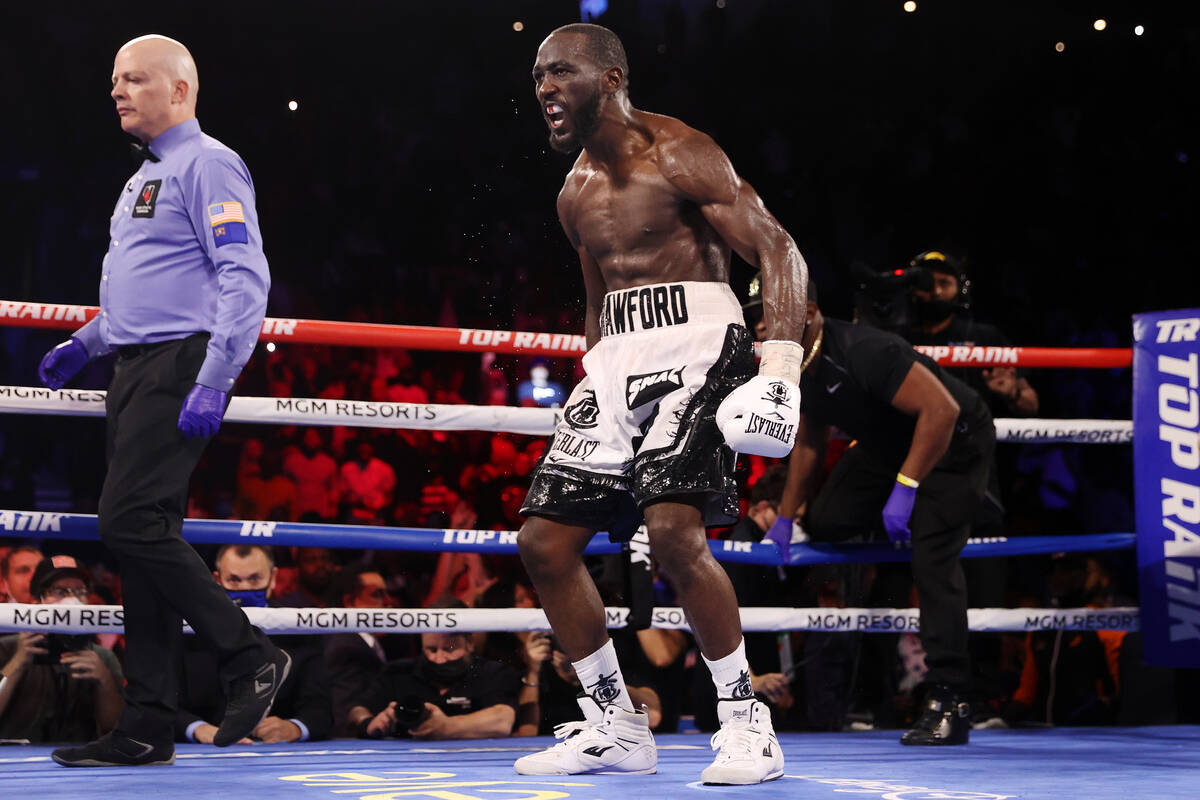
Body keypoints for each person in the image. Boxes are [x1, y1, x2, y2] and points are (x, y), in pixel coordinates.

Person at [516, 23, 807, 784]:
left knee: (674, 535)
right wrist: (592, 384)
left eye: (561, 72)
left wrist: (778, 368)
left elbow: (778, 250)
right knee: (543, 545)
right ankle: (616, 727)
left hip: (701, 345)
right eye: (539, 75)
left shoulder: (680, 150)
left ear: (611, 78)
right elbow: (595, 304)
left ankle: (747, 724)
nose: (545, 88)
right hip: (616, 361)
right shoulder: (572, 192)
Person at [36, 35, 288, 767]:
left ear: (179, 90)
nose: (117, 91)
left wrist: (216, 374)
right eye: (115, 79)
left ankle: (250, 655)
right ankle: (147, 723)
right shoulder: (146, 176)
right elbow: (146, 294)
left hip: (181, 365)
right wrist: (85, 344)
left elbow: (244, 274)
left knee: (126, 520)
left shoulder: (209, 163)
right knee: (142, 543)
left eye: (135, 79)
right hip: (137, 366)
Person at [778, 279, 996, 745]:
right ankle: (913, 522)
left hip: (952, 442)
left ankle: (950, 698)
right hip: (890, 444)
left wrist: (907, 487)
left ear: (811, 311)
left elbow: (942, 409)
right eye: (756, 313)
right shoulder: (798, 364)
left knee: (932, 558)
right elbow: (811, 438)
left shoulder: (865, 349)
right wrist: (785, 514)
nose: (762, 322)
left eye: (771, 310)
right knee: (827, 521)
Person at [176, 545, 331, 744]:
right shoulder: (190, 632)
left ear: (273, 578)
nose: (245, 588)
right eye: (234, 580)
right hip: (204, 753)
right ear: (217, 580)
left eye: (255, 579)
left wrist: (294, 728)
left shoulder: (298, 629)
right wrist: (198, 729)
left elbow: (320, 708)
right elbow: (164, 703)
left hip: (276, 754)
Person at [0, 557, 124, 743]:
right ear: (36, 602)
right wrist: (16, 665)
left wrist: (104, 681)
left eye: (79, 591)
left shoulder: (101, 657)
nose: (70, 599)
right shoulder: (6, 648)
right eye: (59, 591)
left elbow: (114, 730)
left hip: (78, 763)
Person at [348, 625, 519, 741]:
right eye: (432, 650)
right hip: (403, 766)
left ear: (470, 644)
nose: (439, 659)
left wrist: (447, 726)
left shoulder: (491, 672)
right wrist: (369, 722)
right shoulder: (398, 672)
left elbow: (502, 720)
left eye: (449, 649)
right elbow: (357, 710)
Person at [325, 565, 392, 737]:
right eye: (377, 594)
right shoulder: (345, 646)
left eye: (386, 593)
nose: (387, 602)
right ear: (349, 602)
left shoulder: (365, 641)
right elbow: (343, 709)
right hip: (352, 745)